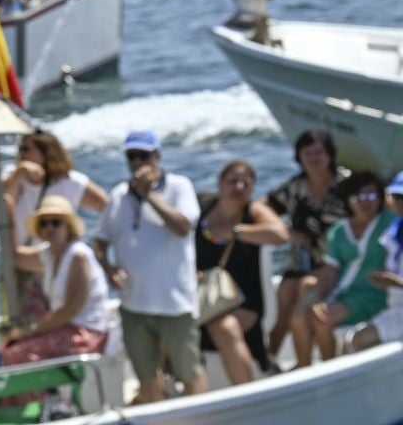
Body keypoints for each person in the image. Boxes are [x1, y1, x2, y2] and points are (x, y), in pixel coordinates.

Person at [93, 128, 204, 404]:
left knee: (190, 373)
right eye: (132, 156)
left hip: (175, 304)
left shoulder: (179, 187)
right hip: (134, 306)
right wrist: (109, 270)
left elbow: (183, 227)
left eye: (144, 155)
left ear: (157, 157)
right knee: (146, 379)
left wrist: (149, 197)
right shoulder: (118, 195)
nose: (137, 162)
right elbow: (99, 241)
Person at [2, 195, 111, 418]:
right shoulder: (48, 254)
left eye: (56, 222)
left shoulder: (78, 256)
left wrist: (28, 330)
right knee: (8, 350)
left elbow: (70, 309)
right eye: (44, 223)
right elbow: (16, 257)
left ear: (68, 226)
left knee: (20, 352)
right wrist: (10, 219)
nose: (49, 228)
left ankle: (51, 409)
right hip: (66, 327)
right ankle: (33, 407)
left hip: (86, 332)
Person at [195, 160, 286, 383]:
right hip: (202, 298)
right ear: (220, 182)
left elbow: (279, 234)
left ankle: (246, 393)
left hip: (243, 301)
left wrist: (234, 232)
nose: (239, 187)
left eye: (245, 183)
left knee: (224, 327)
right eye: (233, 181)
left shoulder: (252, 211)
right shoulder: (201, 207)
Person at [266, 127, 350, 365]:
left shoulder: (344, 185)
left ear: (330, 154)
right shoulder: (295, 187)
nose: (314, 158)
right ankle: (269, 364)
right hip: (301, 260)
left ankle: (303, 365)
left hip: (333, 262)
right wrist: (286, 231)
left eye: (319, 152)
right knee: (283, 300)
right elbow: (262, 208)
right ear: (299, 157)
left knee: (302, 301)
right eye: (307, 153)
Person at [4, 130, 108, 321]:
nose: (20, 153)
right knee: (28, 321)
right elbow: (3, 204)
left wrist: (99, 244)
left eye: (26, 149)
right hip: (24, 262)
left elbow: (106, 207)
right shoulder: (14, 177)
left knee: (57, 318)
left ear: (45, 153)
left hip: (60, 260)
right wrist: (19, 172)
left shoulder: (70, 181)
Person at [297, 169, 399, 362]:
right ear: (348, 199)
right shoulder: (338, 231)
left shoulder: (390, 222)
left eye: (371, 195)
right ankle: (311, 365)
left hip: (375, 295)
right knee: (305, 313)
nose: (365, 201)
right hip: (345, 293)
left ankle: (330, 370)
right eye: (359, 196)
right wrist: (317, 297)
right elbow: (329, 271)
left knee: (322, 320)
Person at [344, 173, 403, 354]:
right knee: (349, 342)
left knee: (357, 340)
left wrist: (393, 282)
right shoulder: (396, 229)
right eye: (397, 196)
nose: (399, 202)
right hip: (396, 310)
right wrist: (383, 281)